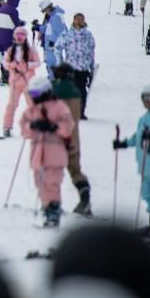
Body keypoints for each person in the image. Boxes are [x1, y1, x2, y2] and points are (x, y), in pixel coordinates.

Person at [21, 76, 75, 227]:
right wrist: (32, 126)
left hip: (55, 154)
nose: (34, 98)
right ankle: (47, 207)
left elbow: (68, 126)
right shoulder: (32, 110)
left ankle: (53, 211)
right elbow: (24, 128)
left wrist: (53, 127)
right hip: (38, 155)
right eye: (32, 95)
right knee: (40, 183)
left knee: (52, 183)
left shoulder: (59, 107)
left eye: (36, 95)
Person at [112, 83, 150, 234]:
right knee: (147, 193)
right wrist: (125, 143)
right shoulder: (144, 118)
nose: (148, 102)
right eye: (145, 99)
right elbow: (138, 136)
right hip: (145, 164)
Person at [51, 62, 92, 216]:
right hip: (74, 137)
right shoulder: (76, 90)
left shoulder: (56, 89)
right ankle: (85, 199)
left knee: (52, 170)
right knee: (75, 170)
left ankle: (52, 205)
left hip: (58, 138)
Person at [55, 12, 96, 119]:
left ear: (84, 21)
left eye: (81, 19)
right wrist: (61, 63)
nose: (79, 21)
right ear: (73, 20)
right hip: (70, 67)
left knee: (81, 90)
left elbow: (91, 52)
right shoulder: (67, 34)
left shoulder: (88, 35)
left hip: (83, 68)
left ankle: (80, 111)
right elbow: (57, 48)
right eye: (77, 19)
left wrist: (91, 68)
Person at [1, 26, 39, 138]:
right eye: (18, 35)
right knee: (11, 105)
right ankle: (7, 127)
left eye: (22, 35)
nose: (19, 37)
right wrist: (12, 65)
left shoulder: (31, 50)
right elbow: (5, 63)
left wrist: (27, 65)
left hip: (29, 83)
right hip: (15, 83)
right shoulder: (11, 50)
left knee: (33, 104)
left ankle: (35, 126)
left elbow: (37, 63)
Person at [36, 0, 68, 70]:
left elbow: (57, 31)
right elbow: (48, 29)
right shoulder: (53, 16)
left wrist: (52, 41)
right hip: (51, 46)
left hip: (54, 46)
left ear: (49, 8)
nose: (46, 13)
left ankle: (56, 79)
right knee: (51, 63)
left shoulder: (56, 16)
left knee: (54, 64)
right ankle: (53, 78)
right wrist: (38, 27)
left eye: (45, 11)